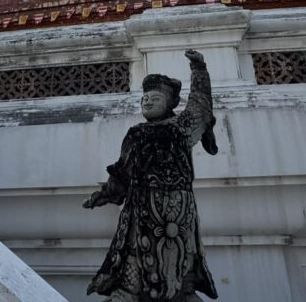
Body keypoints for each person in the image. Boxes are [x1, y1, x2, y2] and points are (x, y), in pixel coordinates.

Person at [84, 49, 219, 301]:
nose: (147, 102)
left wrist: (199, 70)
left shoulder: (181, 129)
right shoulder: (136, 134)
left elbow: (199, 106)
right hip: (141, 209)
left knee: (181, 264)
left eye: (154, 98)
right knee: (134, 259)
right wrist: (105, 194)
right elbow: (122, 171)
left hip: (178, 211)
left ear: (169, 104)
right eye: (144, 99)